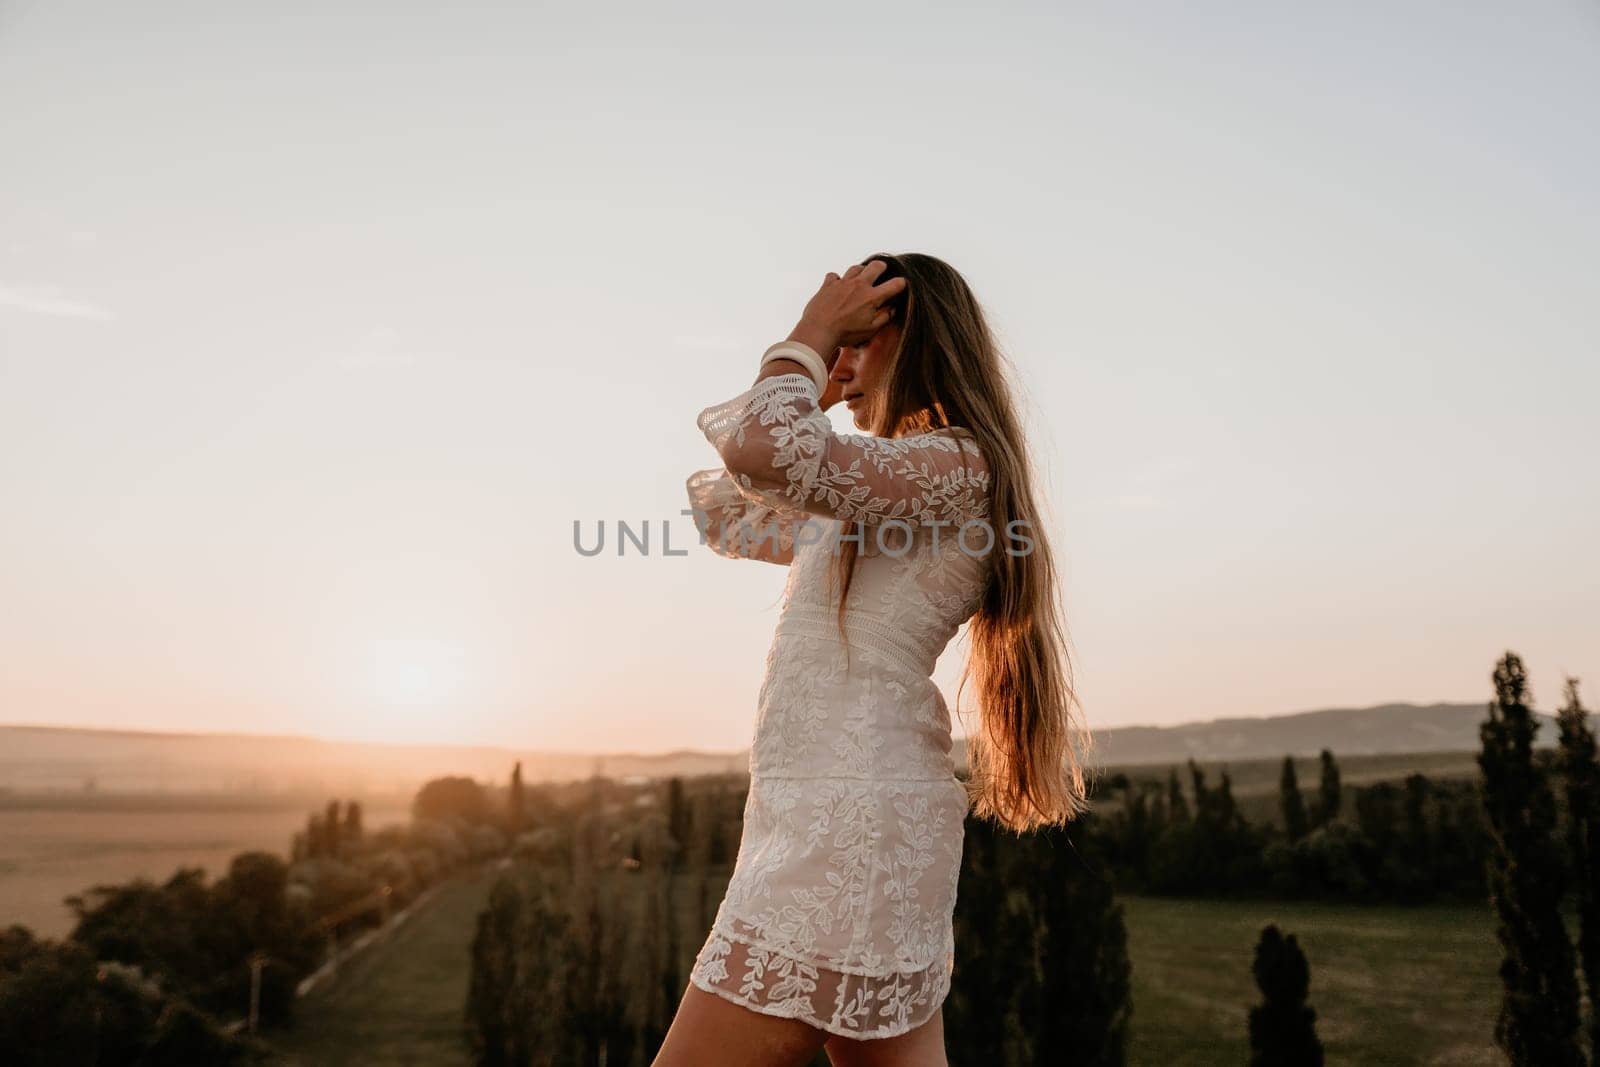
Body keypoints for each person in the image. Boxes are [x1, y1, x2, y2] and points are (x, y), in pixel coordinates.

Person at [655, 254, 1097, 1067]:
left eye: (863, 343)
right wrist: (812, 386)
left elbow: (761, 448)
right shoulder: (875, 491)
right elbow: (725, 514)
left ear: (919, 345)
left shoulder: (957, 467)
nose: (847, 367)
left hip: (846, 827)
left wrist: (809, 337)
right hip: (831, 821)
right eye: (842, 346)